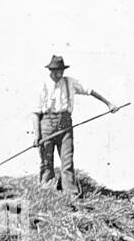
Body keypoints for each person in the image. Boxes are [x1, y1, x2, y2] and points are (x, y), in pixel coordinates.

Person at [35, 55, 118, 196]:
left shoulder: (70, 82)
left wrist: (109, 104)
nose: (59, 74)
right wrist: (37, 135)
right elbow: (35, 113)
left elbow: (89, 90)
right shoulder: (42, 85)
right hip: (46, 123)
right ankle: (46, 190)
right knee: (46, 160)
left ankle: (70, 193)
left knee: (67, 160)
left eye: (61, 71)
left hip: (65, 123)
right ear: (50, 70)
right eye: (56, 71)